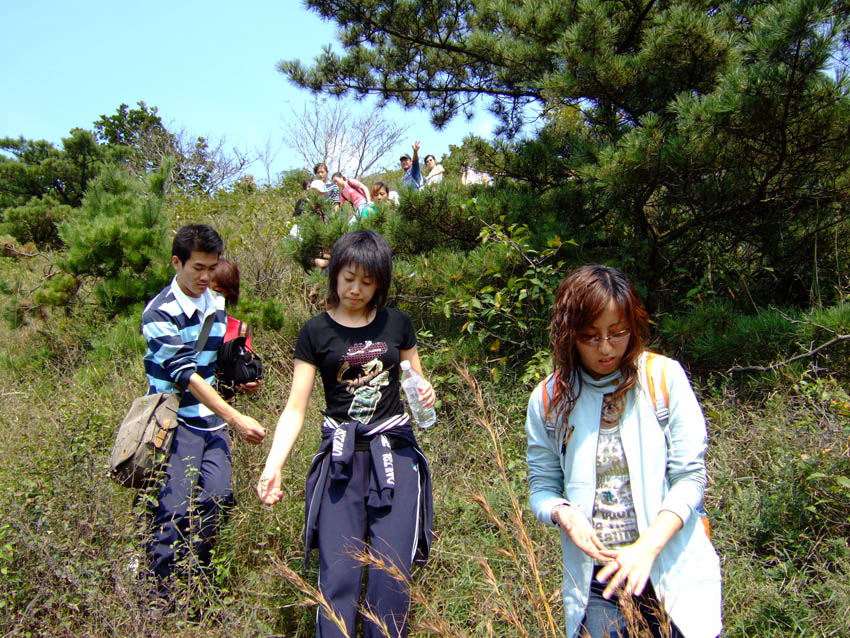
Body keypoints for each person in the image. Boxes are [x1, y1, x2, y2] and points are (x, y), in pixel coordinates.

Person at [525, 264, 722, 638]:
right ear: (569, 333)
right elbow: (542, 486)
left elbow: (690, 478)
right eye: (590, 336)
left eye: (617, 333)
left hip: (670, 567)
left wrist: (647, 548)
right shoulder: (550, 399)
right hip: (599, 582)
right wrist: (564, 513)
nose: (605, 348)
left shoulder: (663, 378)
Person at [257, 230, 435, 638]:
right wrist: (273, 465)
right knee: (339, 573)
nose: (356, 289)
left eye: (368, 282)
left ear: (380, 283)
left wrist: (427, 391)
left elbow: (418, 382)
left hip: (395, 454)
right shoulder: (315, 332)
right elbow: (295, 408)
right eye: (349, 278)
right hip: (341, 460)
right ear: (335, 273)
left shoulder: (398, 324)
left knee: (391, 574)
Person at [141, 224, 266, 608]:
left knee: (218, 497)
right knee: (173, 510)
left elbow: (210, 370)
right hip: (174, 422)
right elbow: (187, 376)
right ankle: (159, 600)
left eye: (212, 268)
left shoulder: (215, 304)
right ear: (176, 263)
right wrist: (236, 419)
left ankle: (198, 584)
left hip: (210, 420)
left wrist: (240, 382)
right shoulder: (159, 313)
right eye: (197, 268)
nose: (205, 277)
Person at [211, 258, 262, 398]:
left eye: (221, 292)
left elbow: (247, 366)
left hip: (223, 404)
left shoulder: (240, 329)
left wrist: (252, 382)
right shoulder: (188, 323)